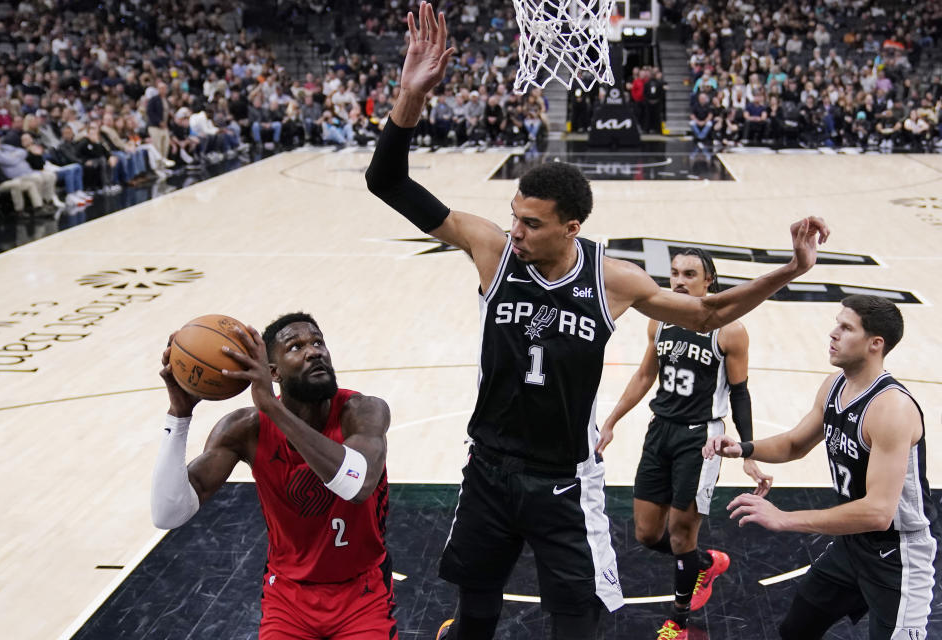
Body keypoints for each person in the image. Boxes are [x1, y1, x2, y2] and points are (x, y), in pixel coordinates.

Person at [364, 5, 829, 639]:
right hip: (491, 467)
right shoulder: (491, 250)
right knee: (474, 613)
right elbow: (386, 179)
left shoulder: (612, 277)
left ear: (571, 227)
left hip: (564, 478)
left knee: (577, 620)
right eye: (513, 215)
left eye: (531, 222)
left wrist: (790, 269)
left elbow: (709, 311)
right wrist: (409, 98)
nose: (516, 230)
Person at [150, 312, 398, 639]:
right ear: (273, 373)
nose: (314, 351)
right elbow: (168, 513)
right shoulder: (245, 429)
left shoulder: (363, 411)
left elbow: (358, 484)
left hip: (362, 592)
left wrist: (273, 408)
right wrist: (179, 416)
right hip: (288, 597)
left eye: (318, 342)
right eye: (296, 346)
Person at [704, 295, 936, 640]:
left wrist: (785, 518)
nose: (832, 333)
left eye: (846, 328)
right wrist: (743, 448)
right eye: (835, 323)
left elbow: (877, 513)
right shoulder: (834, 385)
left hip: (897, 554)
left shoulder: (892, 409)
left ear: (876, 344)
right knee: (797, 628)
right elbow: (796, 443)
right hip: (852, 543)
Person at [596, 248, 772, 639]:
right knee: (645, 532)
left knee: (680, 534)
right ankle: (705, 562)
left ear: (708, 279)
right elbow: (645, 375)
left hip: (701, 438)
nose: (679, 280)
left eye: (689, 273)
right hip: (661, 430)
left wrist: (747, 451)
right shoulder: (659, 320)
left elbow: (740, 393)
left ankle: (678, 621)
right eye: (674, 273)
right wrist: (610, 422)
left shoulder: (729, 329)